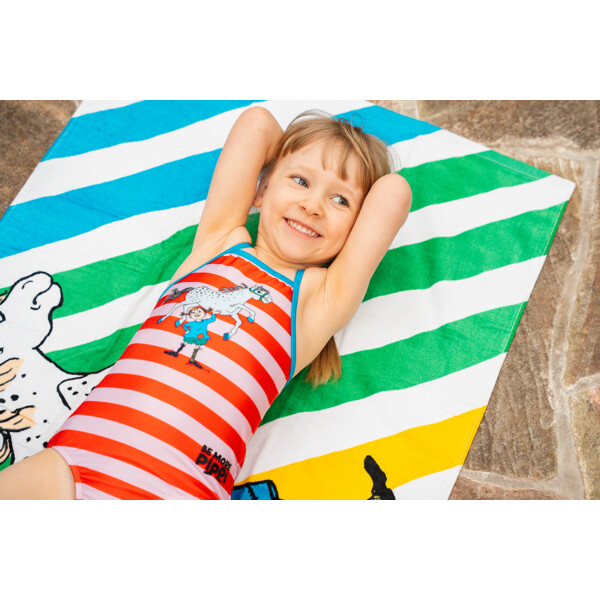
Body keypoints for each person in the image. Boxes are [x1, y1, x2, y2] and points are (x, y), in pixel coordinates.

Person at [0, 106, 411, 499]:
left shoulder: (318, 299)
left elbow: (393, 192)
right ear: (262, 189)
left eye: (340, 201)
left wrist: (316, 171)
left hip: (179, 490)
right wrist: (297, 164)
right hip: (75, 459)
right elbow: (257, 124)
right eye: (300, 181)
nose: (312, 205)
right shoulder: (218, 243)